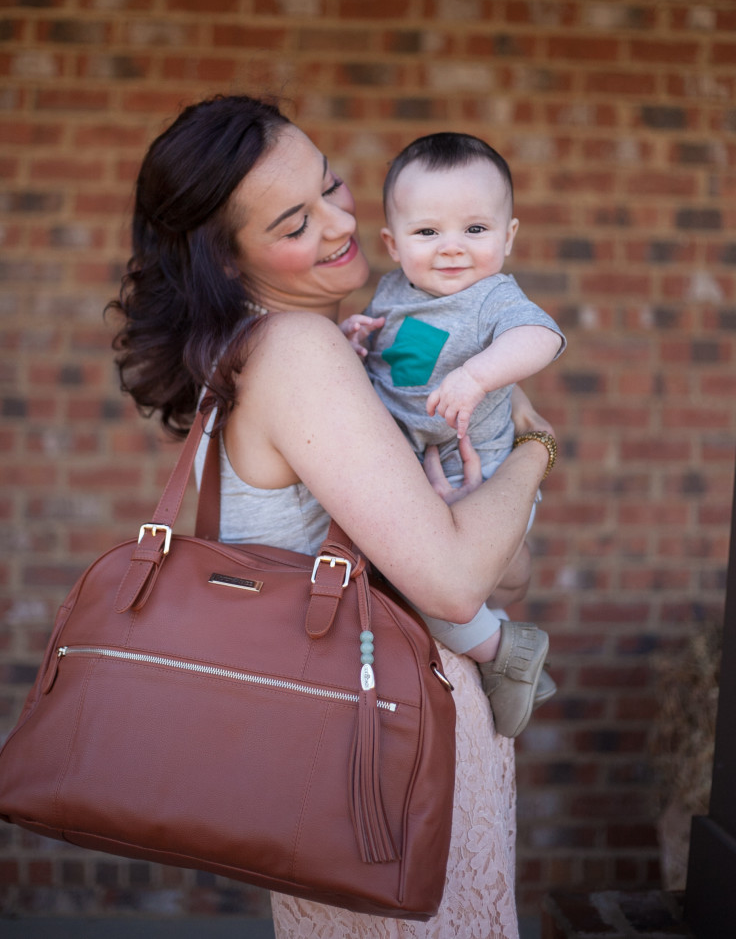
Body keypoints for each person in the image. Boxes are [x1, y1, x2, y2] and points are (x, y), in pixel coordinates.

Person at [110, 94, 557, 939]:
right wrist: (535, 445)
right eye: (292, 220)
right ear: (227, 257)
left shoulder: (301, 350)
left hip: (361, 747)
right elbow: (461, 579)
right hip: (382, 757)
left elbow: (506, 566)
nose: (337, 224)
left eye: (332, 186)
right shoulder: (300, 353)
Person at [341, 132, 565, 738]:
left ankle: (502, 652)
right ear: (392, 243)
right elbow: (394, 372)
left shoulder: (494, 298)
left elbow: (541, 339)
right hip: (417, 469)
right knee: (401, 583)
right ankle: (507, 660)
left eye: (475, 230)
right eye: (427, 232)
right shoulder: (393, 293)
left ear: (509, 236)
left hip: (484, 478)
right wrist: (353, 342)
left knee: (423, 584)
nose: (452, 250)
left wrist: (478, 374)